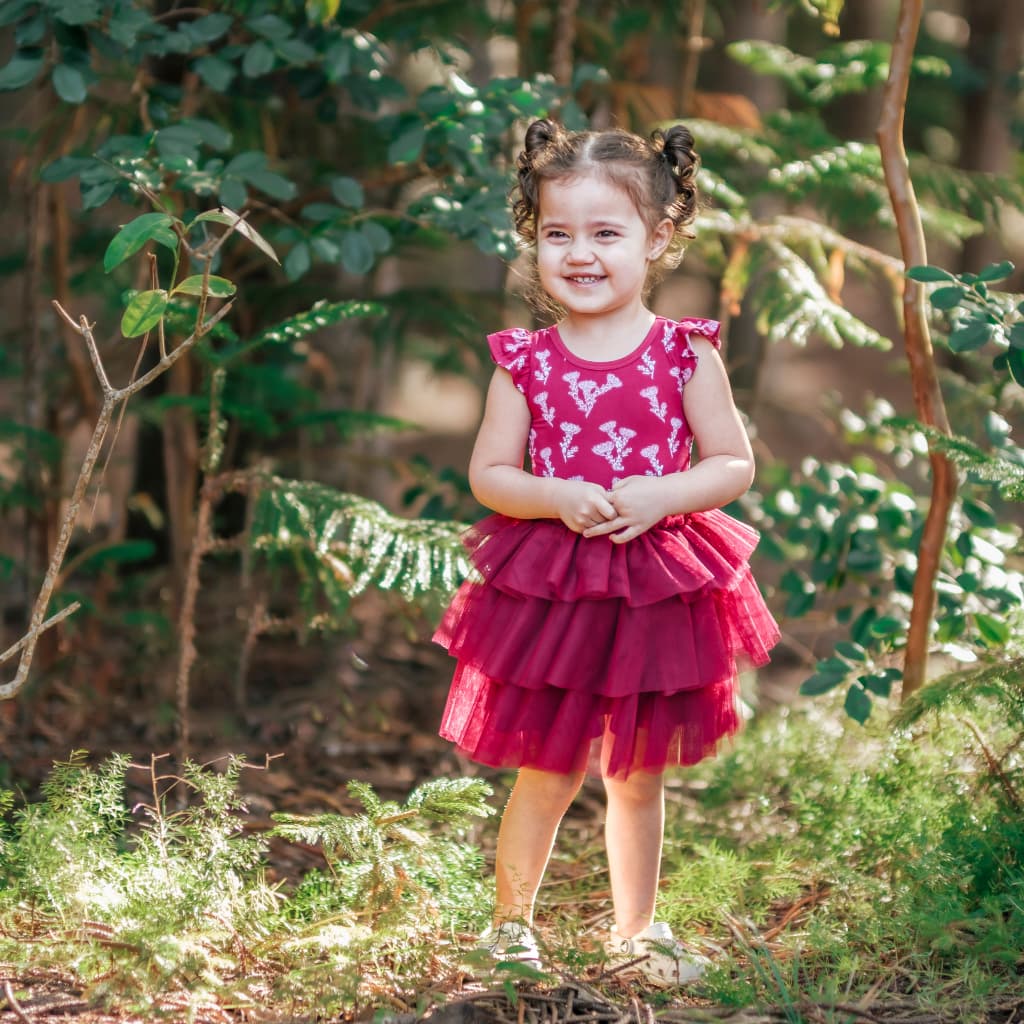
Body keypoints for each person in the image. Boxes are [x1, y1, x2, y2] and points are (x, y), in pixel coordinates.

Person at [433, 117, 780, 986]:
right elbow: (490, 474)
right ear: (534, 238)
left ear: (658, 239)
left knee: (636, 773)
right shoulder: (526, 363)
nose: (579, 254)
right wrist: (553, 496)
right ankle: (510, 927)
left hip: (657, 583)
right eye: (558, 234)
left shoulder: (683, 354)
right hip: (557, 585)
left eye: (605, 233)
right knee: (546, 766)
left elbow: (733, 462)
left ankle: (638, 930)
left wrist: (667, 492)